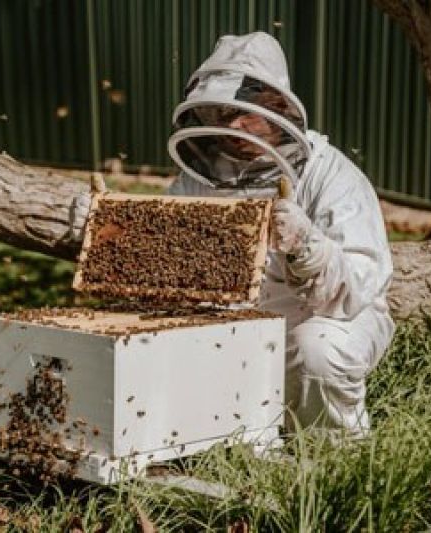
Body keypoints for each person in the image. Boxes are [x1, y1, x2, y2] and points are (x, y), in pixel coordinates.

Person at [70, 31, 393, 439]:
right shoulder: (203, 175)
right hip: (237, 318)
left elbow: (358, 288)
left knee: (318, 349)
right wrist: (107, 232)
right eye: (221, 115)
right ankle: (229, 443)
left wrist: (307, 246)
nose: (231, 127)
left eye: (242, 114)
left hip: (325, 316)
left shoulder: (331, 175)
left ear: (277, 107)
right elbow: (162, 251)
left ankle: (331, 454)